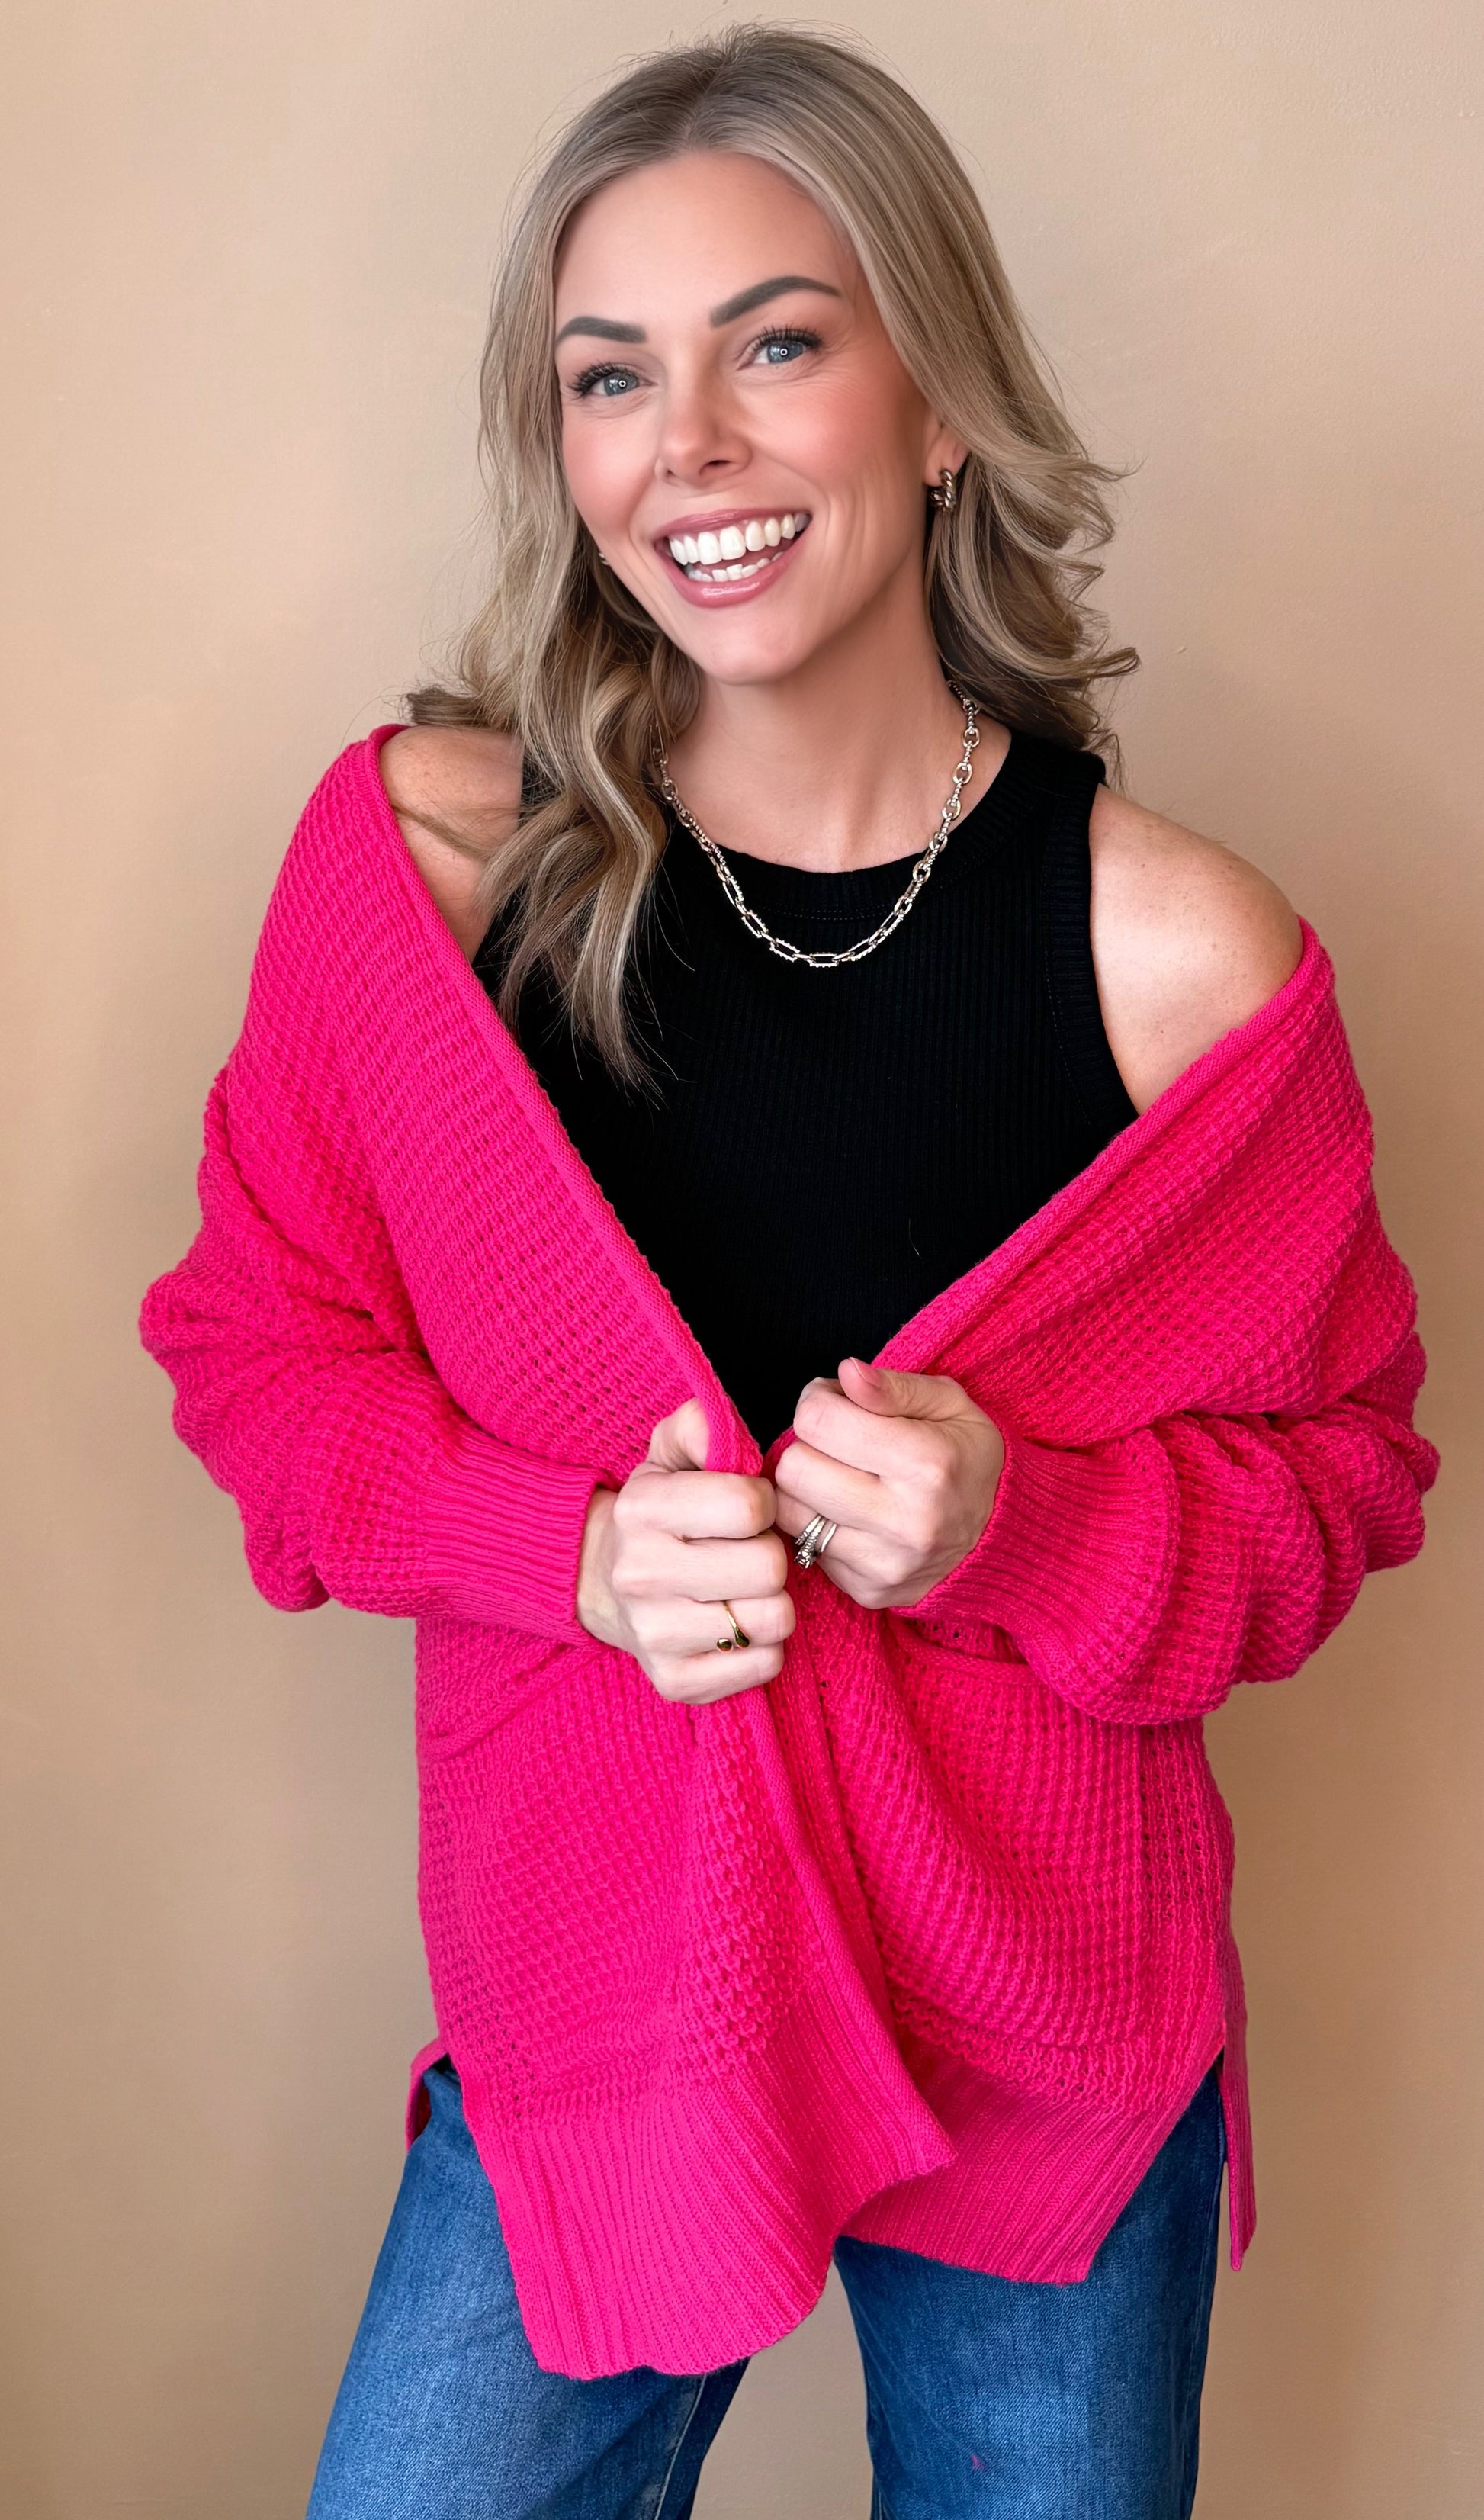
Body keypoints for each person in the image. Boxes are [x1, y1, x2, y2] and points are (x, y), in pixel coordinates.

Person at [137, 27, 1438, 2520]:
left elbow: (1339, 1484)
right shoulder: (428, 887)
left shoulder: (1181, 960)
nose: (687, 448)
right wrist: (566, 1554)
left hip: (1050, 2037)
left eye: (777, 342)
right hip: (608, 1996)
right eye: (608, 375)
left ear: (933, 394)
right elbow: (255, 1351)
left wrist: (1019, 1526)